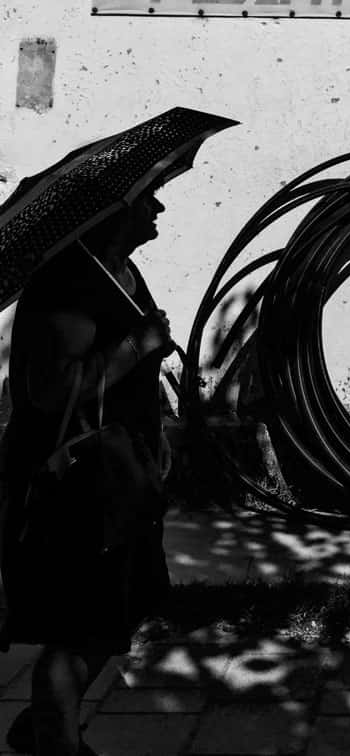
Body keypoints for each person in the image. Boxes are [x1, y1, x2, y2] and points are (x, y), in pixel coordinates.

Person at [0, 189, 175, 756]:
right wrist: (135, 342)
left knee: (116, 608)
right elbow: (51, 392)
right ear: (108, 212)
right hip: (78, 485)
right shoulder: (68, 284)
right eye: (146, 198)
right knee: (83, 623)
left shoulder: (118, 270)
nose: (157, 208)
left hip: (121, 470)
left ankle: (46, 720)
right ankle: (56, 739)